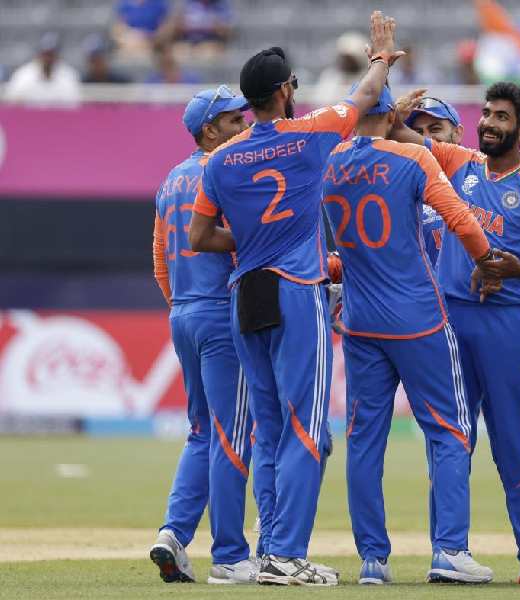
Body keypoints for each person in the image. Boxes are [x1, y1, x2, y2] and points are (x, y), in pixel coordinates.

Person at [189, 11, 402, 586]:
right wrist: (381, 56)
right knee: (308, 425)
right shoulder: (309, 134)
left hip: (244, 293)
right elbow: (364, 97)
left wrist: (250, 237)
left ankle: (268, 549)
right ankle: (285, 554)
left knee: (268, 426)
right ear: (284, 91)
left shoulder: (222, 159)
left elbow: (198, 238)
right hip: (296, 289)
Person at [323, 85, 495, 585]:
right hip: (419, 318)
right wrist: (487, 262)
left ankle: (373, 561)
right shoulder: (412, 160)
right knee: (448, 431)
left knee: (364, 441)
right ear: (393, 116)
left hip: (359, 322)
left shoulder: (329, 162)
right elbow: (461, 218)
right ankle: (449, 551)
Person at [392, 82, 520, 586]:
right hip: (448, 323)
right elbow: (390, 133)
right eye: (486, 113)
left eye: (501, 117)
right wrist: (395, 104)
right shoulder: (455, 161)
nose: (489, 123)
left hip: (507, 325)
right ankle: (450, 551)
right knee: (448, 440)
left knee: (515, 442)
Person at [149, 85, 253, 584]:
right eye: (235, 121)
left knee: (202, 432)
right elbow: (248, 241)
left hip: (184, 314)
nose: (246, 127)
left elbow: (158, 259)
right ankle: (231, 556)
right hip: (218, 312)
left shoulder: (172, 177)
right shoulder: (225, 170)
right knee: (233, 437)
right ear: (210, 129)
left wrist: (181, 306)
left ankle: (173, 533)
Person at [403, 96, 466, 265]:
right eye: (417, 133)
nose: (425, 139)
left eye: (435, 129)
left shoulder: (478, 179)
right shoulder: (400, 190)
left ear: (458, 133)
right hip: (425, 290)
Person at [4, 32, 81, 107]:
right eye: (45, 54)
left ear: (57, 55)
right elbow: (13, 103)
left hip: (61, 119)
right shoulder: (23, 75)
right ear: (39, 54)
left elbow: (74, 104)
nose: (48, 59)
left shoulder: (69, 75)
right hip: (29, 118)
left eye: (51, 54)